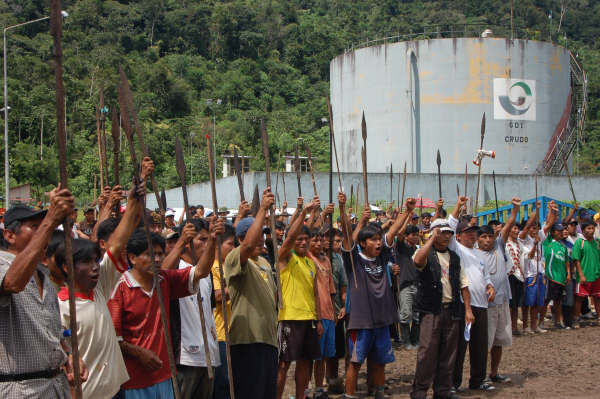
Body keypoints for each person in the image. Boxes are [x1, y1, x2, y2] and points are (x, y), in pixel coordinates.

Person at [57, 165, 151, 399]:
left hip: (114, 390)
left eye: (95, 261)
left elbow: (117, 245)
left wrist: (133, 201)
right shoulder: (58, 306)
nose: (94, 267)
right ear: (67, 267)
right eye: (86, 263)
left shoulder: (99, 288)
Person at [108, 219, 221, 399]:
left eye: (160, 254)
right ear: (132, 257)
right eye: (150, 254)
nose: (158, 259)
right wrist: (139, 352)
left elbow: (200, 272)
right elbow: (113, 338)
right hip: (135, 380)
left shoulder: (164, 280)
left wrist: (213, 240)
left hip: (165, 376)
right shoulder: (120, 289)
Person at [0, 187, 88, 398]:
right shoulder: (3, 265)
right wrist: (50, 219)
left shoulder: (42, 274)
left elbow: (53, 332)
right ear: (10, 235)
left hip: (55, 387)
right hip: (20, 390)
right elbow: (12, 283)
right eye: (34, 227)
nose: (44, 233)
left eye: (44, 227)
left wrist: (68, 354)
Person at [338, 194, 413, 399]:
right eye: (373, 239)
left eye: (379, 239)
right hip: (361, 321)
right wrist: (343, 209)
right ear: (362, 243)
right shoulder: (353, 259)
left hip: (382, 319)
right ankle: (350, 395)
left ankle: (379, 393)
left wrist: (407, 211)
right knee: (355, 362)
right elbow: (346, 233)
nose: (378, 242)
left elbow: (394, 231)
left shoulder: (383, 257)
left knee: (380, 361)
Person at [410, 218, 473, 399]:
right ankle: (420, 391)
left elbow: (463, 284)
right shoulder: (425, 253)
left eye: (449, 233)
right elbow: (418, 262)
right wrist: (430, 239)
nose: (446, 236)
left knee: (449, 353)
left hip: (452, 310)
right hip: (431, 311)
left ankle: (443, 390)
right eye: (442, 233)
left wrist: (468, 309)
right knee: (427, 353)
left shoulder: (454, 257)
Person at [225, 189, 279, 399]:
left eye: (263, 236)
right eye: (257, 236)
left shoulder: (264, 262)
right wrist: (263, 209)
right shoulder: (234, 258)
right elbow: (248, 245)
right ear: (239, 239)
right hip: (247, 341)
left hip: (268, 340)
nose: (261, 241)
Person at [161, 218, 222, 399]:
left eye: (207, 240)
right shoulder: (177, 267)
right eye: (201, 240)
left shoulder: (206, 272)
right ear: (188, 243)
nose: (206, 244)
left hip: (208, 355)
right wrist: (180, 242)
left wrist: (212, 238)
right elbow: (161, 275)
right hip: (185, 357)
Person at [276, 196, 321, 399]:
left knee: (306, 362)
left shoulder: (311, 264)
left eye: (306, 239)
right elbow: (288, 240)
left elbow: (314, 293)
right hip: (289, 318)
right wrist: (304, 212)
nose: (303, 242)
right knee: (283, 364)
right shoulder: (286, 257)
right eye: (298, 239)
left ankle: (300, 396)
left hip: (309, 320)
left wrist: (318, 318)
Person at [449, 196, 496, 392]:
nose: (472, 235)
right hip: (462, 304)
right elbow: (449, 228)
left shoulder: (479, 255)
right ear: (458, 236)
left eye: (473, 232)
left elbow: (486, 277)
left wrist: (490, 286)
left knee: (480, 346)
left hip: (482, 305)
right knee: (459, 347)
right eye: (467, 232)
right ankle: (453, 383)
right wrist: (458, 206)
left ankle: (477, 380)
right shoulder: (456, 248)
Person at [480, 198, 520, 385]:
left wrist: (515, 208)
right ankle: (482, 375)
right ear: (477, 239)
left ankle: (494, 372)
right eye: (483, 237)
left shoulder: (498, 246)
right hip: (485, 304)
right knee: (484, 343)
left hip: (503, 300)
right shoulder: (474, 254)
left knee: (499, 341)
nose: (488, 239)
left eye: (490, 236)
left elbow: (509, 223)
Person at [308, 226, 336, 399]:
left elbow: (331, 289)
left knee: (324, 355)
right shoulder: (308, 259)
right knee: (313, 356)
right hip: (314, 314)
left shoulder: (326, 261)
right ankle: (308, 387)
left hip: (328, 314)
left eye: (320, 240)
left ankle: (319, 387)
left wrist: (334, 311)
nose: (319, 243)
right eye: (315, 240)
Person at [212, 223, 236, 399]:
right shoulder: (212, 268)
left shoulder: (230, 265)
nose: (234, 248)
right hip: (220, 334)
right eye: (230, 244)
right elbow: (217, 296)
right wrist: (236, 284)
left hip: (234, 333)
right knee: (223, 384)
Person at [325, 229, 348, 393]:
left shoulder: (338, 259)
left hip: (337, 311)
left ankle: (333, 379)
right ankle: (320, 383)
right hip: (320, 312)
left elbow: (343, 286)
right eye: (335, 241)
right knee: (320, 353)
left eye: (340, 241)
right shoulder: (314, 258)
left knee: (335, 351)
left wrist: (345, 306)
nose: (338, 245)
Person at [394, 224, 421, 350]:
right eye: (413, 235)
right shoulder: (402, 247)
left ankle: (415, 340)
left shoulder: (419, 249)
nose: (416, 237)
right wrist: (408, 216)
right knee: (405, 314)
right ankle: (406, 341)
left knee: (417, 315)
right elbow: (398, 235)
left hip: (418, 285)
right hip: (406, 285)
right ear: (406, 236)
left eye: (417, 234)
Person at [572, 217, 600, 329]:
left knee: (598, 298)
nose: (591, 230)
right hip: (584, 275)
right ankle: (576, 319)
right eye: (589, 228)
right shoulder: (580, 242)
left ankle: (599, 317)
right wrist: (581, 274)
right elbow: (576, 259)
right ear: (583, 230)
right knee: (579, 298)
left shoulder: (597, 242)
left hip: (596, 275)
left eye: (593, 228)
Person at [542, 223, 570, 328]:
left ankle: (558, 322)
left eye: (562, 230)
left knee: (558, 301)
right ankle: (540, 322)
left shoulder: (563, 246)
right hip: (551, 277)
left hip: (561, 278)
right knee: (546, 300)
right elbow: (547, 227)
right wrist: (553, 212)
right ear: (553, 232)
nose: (561, 232)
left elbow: (566, 261)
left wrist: (568, 274)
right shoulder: (548, 242)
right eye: (558, 231)